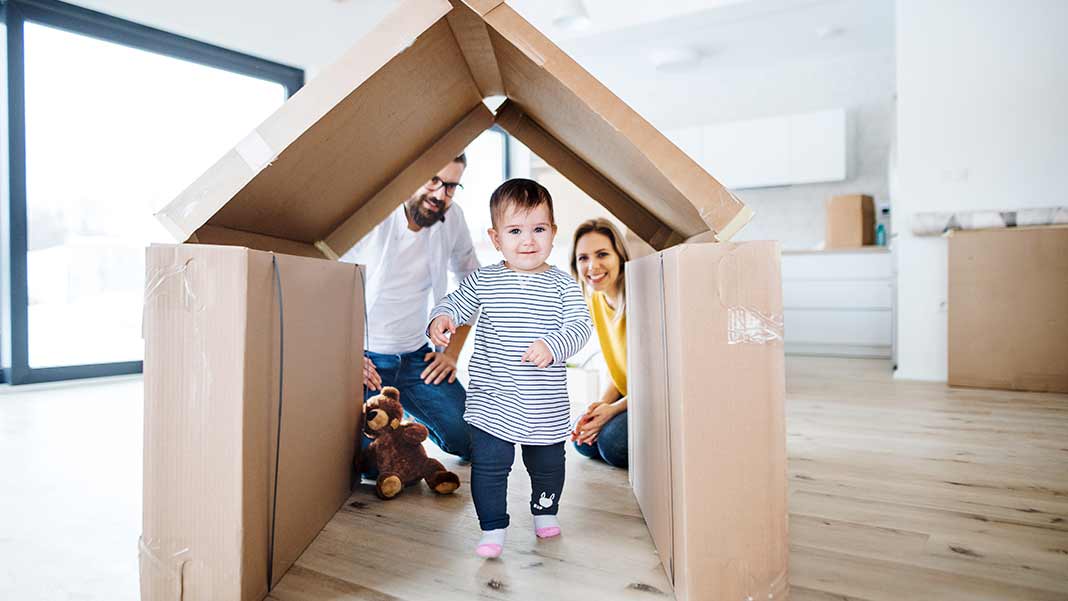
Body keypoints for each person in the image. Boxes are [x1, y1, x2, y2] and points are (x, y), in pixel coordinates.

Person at [427, 179, 592, 559]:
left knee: (548, 464)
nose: (528, 240)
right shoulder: (484, 280)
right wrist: (442, 318)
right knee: (490, 465)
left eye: (539, 229)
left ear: (553, 233)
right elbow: (454, 302)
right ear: (496, 237)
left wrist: (554, 345)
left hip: (544, 402)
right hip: (493, 399)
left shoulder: (563, 286)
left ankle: (545, 509)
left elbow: (580, 326)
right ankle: (493, 527)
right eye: (515, 231)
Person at [341, 154, 479, 466]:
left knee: (471, 440)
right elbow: (324, 286)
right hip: (367, 361)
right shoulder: (372, 216)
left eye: (452, 187)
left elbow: (473, 284)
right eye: (434, 180)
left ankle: (403, 419)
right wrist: (345, 356)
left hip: (418, 358)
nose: (440, 195)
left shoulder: (452, 218)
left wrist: (452, 354)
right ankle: (394, 425)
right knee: (369, 463)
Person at [569, 218, 631, 468]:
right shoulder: (596, 300)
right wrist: (600, 407)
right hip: (628, 396)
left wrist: (613, 410)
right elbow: (618, 371)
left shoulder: (640, 296)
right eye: (583, 258)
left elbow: (657, 383)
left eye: (602, 254)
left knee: (612, 444)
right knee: (582, 441)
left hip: (654, 399)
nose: (592, 266)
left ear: (619, 256)